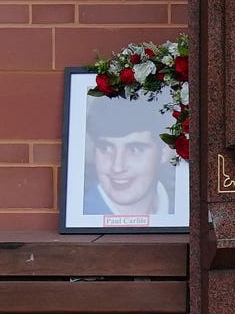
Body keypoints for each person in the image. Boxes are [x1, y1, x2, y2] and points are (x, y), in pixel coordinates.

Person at [78, 93, 185, 225]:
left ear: (164, 152)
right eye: (106, 148)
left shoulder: (183, 213)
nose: (117, 167)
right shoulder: (82, 215)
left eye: (135, 149)